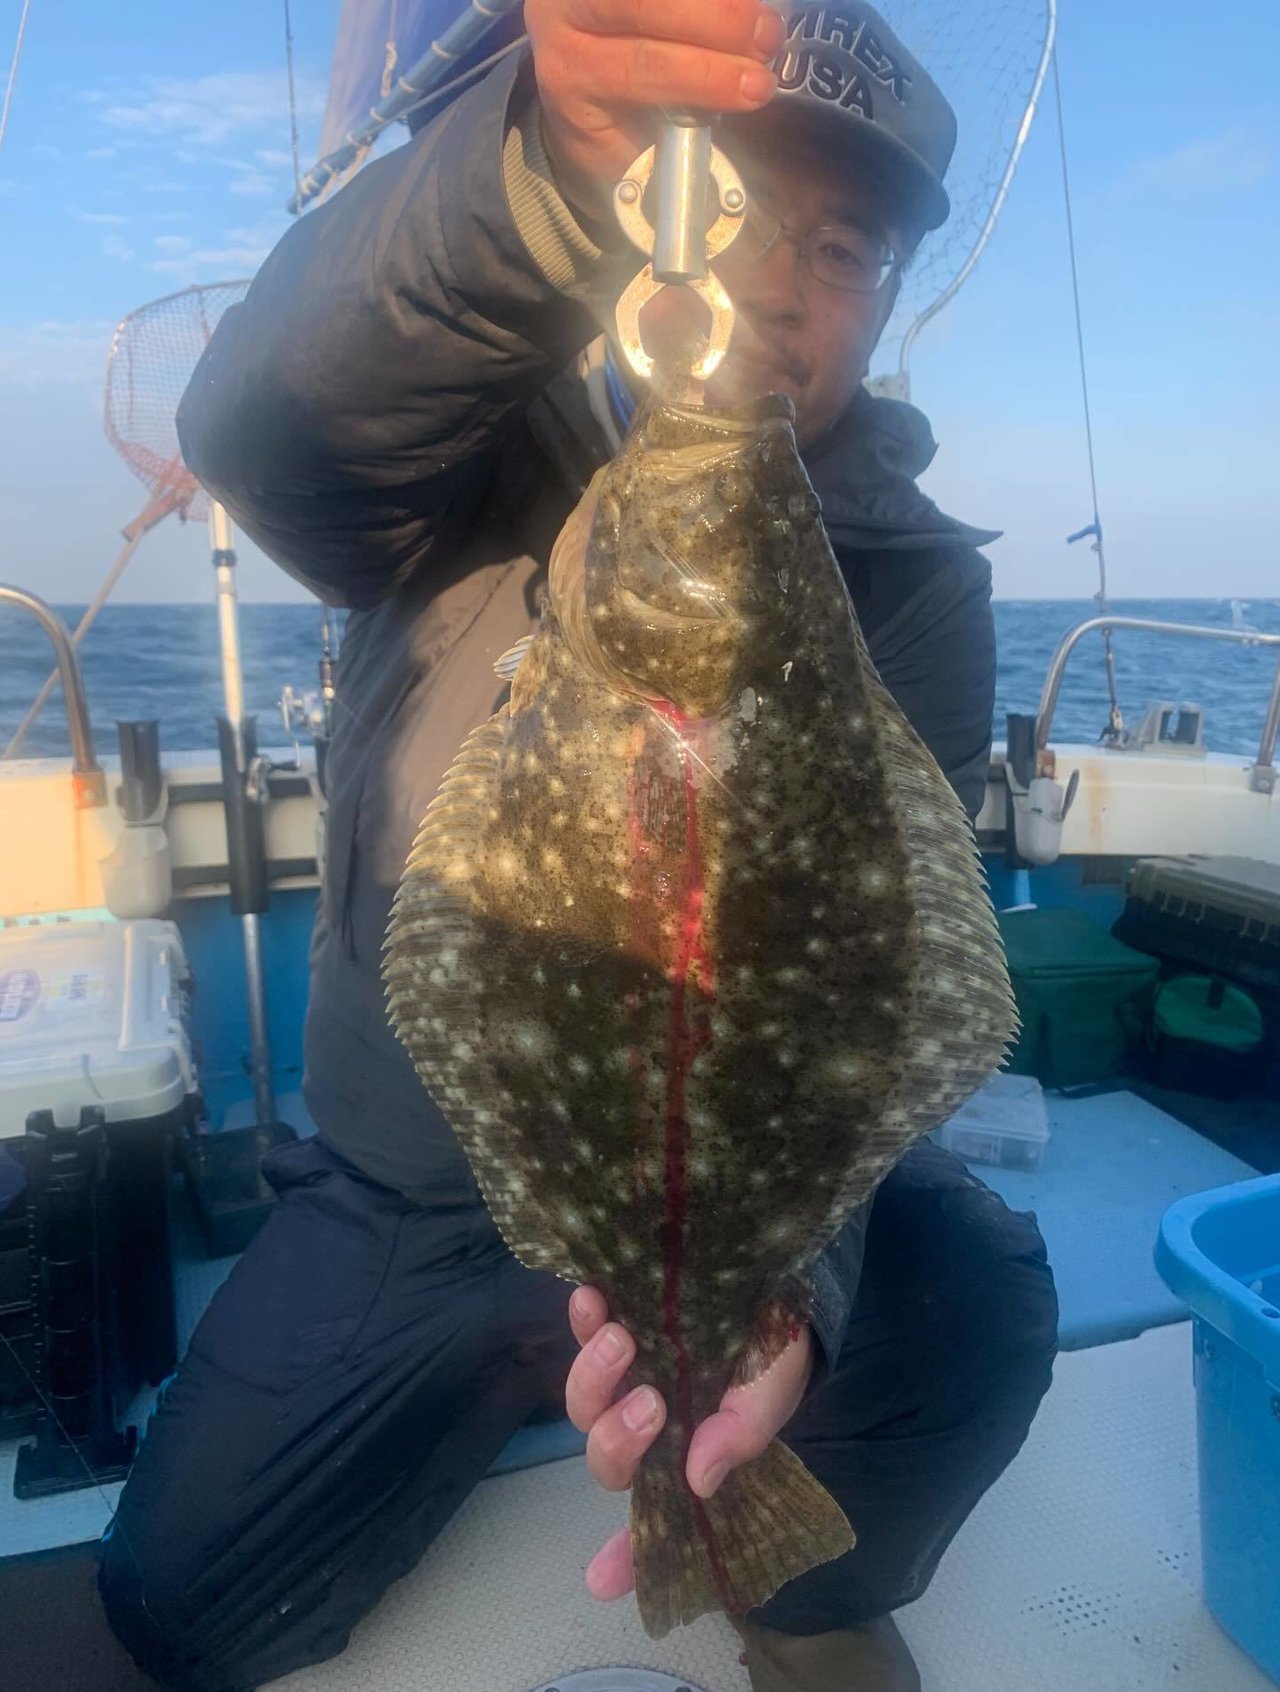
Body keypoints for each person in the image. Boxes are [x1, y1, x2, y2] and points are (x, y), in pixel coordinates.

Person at [98, 3, 1058, 1688]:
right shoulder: (454, 439)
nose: (778, 286)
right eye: (741, 208)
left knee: (983, 1297)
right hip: (420, 1189)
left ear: (890, 293)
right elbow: (265, 425)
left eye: (842, 250)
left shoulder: (921, 584)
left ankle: (784, 1575)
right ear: (659, 211)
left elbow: (856, 1012)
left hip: (740, 1181)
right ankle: (506, 1370)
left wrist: (788, 1306)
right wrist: (531, 164)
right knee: (178, 1596)